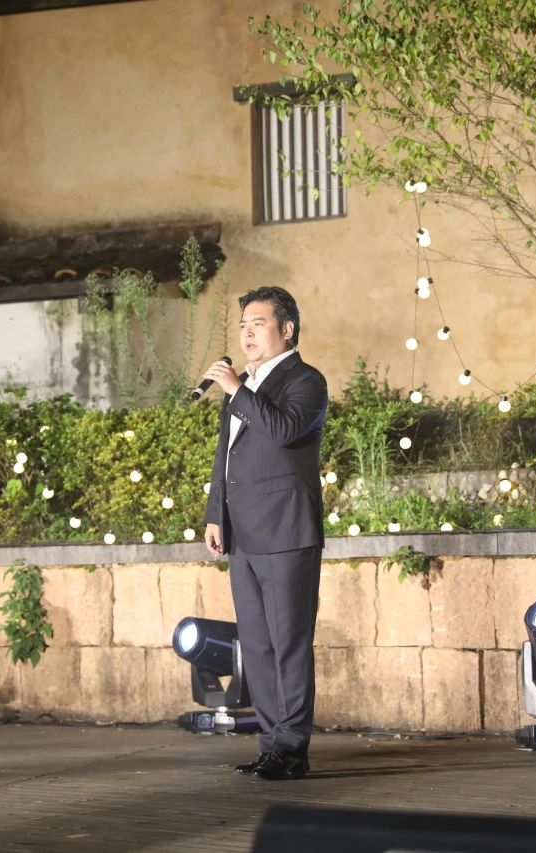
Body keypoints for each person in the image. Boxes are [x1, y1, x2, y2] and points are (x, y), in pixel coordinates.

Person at [201, 285, 327, 782]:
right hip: (244, 534)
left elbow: (284, 431)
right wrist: (215, 514)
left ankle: (293, 750)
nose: (247, 334)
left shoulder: (306, 381)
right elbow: (226, 457)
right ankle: (272, 745)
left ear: (286, 329)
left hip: (287, 532)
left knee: (288, 643)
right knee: (256, 646)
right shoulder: (245, 387)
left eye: (258, 324)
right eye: (243, 326)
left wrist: (238, 390)